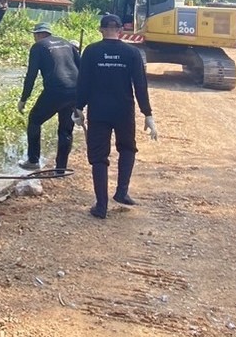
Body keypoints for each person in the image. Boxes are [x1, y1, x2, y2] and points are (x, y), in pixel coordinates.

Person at [75, 12, 157, 219]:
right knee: (127, 148)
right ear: (121, 30)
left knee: (99, 157)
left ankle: (101, 206)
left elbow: (83, 83)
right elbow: (140, 85)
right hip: (124, 111)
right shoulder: (132, 53)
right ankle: (121, 192)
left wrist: (78, 108)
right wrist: (147, 114)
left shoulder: (91, 51)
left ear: (101, 30)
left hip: (98, 111)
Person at [18, 22, 81, 171]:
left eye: (34, 35)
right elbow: (81, 68)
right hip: (75, 90)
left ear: (39, 35)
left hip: (55, 91)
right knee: (65, 130)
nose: (34, 38)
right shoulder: (66, 43)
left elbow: (31, 75)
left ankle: (33, 160)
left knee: (34, 120)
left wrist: (23, 99)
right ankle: (61, 168)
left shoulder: (38, 47)